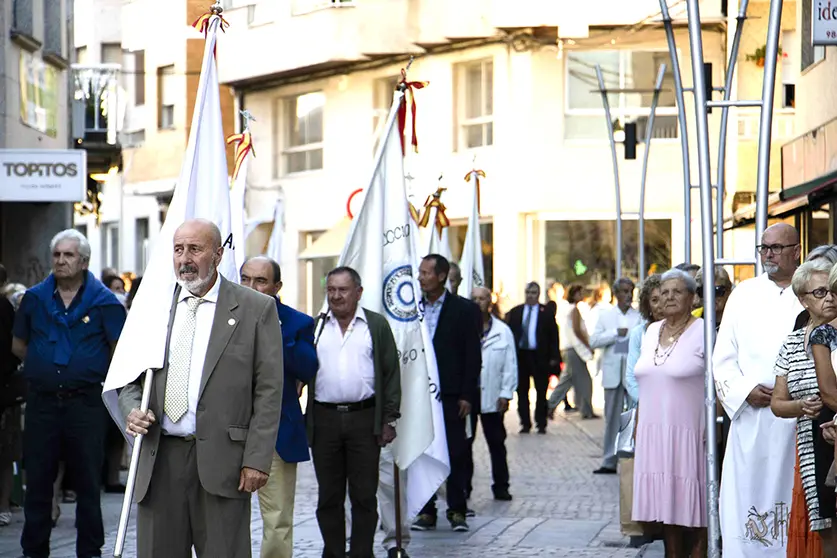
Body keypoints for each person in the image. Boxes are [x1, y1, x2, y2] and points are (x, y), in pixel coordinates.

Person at [119, 219, 284, 557]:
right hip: (159, 457)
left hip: (225, 462)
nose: (185, 258)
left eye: (195, 248)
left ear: (219, 254)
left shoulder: (255, 308)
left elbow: (268, 391)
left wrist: (257, 459)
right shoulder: (154, 307)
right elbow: (128, 379)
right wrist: (131, 410)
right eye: (178, 249)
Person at [11, 230, 127, 558]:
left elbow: (119, 350)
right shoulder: (33, 299)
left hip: (86, 404)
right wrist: (46, 365)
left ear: (84, 261)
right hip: (42, 403)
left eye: (69, 255)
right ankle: (34, 550)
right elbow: (18, 345)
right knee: (38, 482)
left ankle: (90, 551)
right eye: (57, 255)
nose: (61, 261)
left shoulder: (105, 302)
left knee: (88, 483)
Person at [714, 222, 802, 556]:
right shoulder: (743, 294)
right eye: (763, 248)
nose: (768, 254)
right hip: (751, 417)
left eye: (776, 248)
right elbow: (723, 357)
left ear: (796, 250)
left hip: (796, 418)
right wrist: (744, 390)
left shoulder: (810, 292)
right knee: (747, 494)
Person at [306, 266, 400, 558]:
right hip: (325, 420)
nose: (336, 296)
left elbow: (390, 374)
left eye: (342, 290)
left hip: (364, 419)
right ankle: (332, 553)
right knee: (329, 496)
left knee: (363, 495)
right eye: (331, 289)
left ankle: (362, 553)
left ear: (358, 293)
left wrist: (388, 418)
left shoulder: (376, 325)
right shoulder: (316, 327)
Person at [240, 256, 318, 558]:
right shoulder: (221, 315)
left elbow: (307, 366)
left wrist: (273, 326)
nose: (252, 287)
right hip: (226, 432)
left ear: (277, 286)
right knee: (225, 520)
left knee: (277, 521)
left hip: (277, 434)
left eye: (260, 281)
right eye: (245, 279)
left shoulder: (297, 322)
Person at [632, 268, 707, 556]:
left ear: (693, 298)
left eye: (677, 291)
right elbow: (646, 379)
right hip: (652, 431)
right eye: (664, 292)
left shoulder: (703, 331)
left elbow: (717, 382)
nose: (670, 297)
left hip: (688, 431)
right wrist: (638, 424)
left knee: (694, 507)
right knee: (666, 510)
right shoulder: (651, 331)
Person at [771, 258, 837, 556]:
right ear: (803, 300)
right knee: (824, 524)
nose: (830, 298)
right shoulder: (792, 343)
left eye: (833, 291)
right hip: (810, 442)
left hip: (833, 432)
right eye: (820, 293)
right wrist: (800, 405)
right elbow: (777, 403)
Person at [412, 254, 480, 532]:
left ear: (441, 276)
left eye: (427, 272)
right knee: (422, 449)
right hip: (419, 395)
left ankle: (457, 509)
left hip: (452, 395)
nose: (421, 277)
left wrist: (467, 394)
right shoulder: (412, 308)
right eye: (420, 272)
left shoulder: (464, 310)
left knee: (455, 451)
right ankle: (426, 510)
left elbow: (472, 356)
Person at [464, 287, 517, 501]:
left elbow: (510, 365)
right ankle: (463, 486)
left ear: (490, 302)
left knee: (496, 442)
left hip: (492, 395)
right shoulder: (464, 329)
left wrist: (506, 393)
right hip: (467, 394)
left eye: (482, 298)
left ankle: (501, 485)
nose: (478, 302)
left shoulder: (502, 331)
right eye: (474, 298)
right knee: (465, 443)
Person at [591, 277, 640, 475]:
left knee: (632, 417)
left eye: (630, 291)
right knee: (612, 418)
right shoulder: (605, 316)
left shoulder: (639, 316)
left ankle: (629, 458)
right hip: (612, 373)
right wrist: (614, 333)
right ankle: (609, 460)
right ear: (616, 294)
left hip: (633, 374)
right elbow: (594, 340)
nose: (628, 295)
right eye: (624, 291)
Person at [506, 282, 560, 434]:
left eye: (534, 292)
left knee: (541, 391)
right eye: (528, 292)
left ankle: (541, 423)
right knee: (522, 391)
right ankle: (525, 423)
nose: (530, 295)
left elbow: (553, 337)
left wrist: (554, 357)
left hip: (540, 356)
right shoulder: (516, 312)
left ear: (539, 294)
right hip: (521, 355)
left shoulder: (546, 313)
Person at [547, 284, 596, 419]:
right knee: (584, 380)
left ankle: (550, 406)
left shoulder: (564, 308)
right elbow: (577, 330)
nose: (582, 296)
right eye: (579, 293)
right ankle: (586, 410)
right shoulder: (574, 309)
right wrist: (588, 345)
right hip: (574, 349)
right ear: (574, 294)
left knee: (567, 379)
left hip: (567, 348)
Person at [0, 264, 20, 528]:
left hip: (3, 390)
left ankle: (4, 503)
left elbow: (12, 349)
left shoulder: (4, 308)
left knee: (4, 451)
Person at [624, 274, 663, 405]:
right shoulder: (638, 334)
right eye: (655, 300)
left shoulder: (683, 331)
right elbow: (630, 377)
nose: (660, 305)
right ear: (647, 305)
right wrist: (647, 403)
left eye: (664, 298)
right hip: (645, 407)